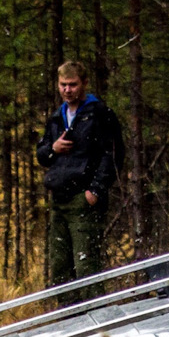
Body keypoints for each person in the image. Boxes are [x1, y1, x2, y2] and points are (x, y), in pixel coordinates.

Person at [35, 61, 123, 294]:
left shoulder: (99, 114)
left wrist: (95, 190)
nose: (67, 90)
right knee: (60, 268)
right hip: (59, 199)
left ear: (84, 84)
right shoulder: (57, 117)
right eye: (63, 85)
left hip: (82, 198)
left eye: (72, 85)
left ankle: (94, 322)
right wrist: (53, 148)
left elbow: (112, 155)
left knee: (86, 267)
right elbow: (42, 154)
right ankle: (67, 322)